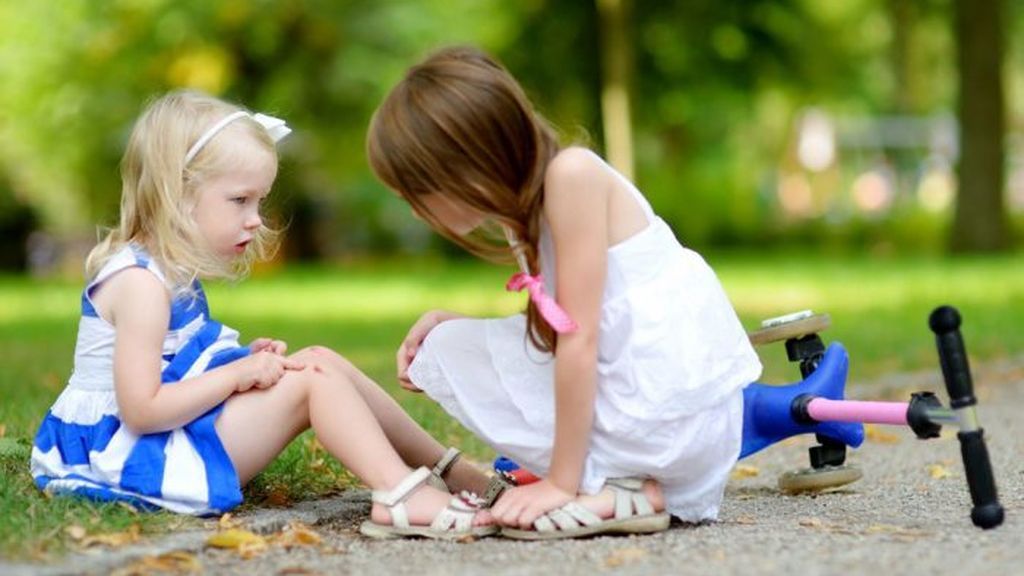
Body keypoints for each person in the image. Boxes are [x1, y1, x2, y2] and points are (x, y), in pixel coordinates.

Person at [29, 90, 496, 540]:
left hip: (167, 438)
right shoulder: (140, 285)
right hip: (134, 456)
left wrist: (239, 362)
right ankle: (398, 493)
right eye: (239, 200)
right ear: (178, 193)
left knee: (320, 359)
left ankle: (455, 472)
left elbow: (173, 370)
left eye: (259, 200)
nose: (255, 218)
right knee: (312, 379)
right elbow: (143, 409)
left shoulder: (169, 274)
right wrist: (237, 377)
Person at [366, 46, 764, 540]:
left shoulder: (570, 176)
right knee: (444, 346)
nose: (415, 213)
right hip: (639, 396)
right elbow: (564, 331)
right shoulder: (526, 208)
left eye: (417, 194)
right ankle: (615, 483)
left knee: (485, 357)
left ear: (464, 167)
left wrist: (559, 481)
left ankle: (620, 485)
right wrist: (450, 320)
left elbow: (580, 340)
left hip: (668, 420)